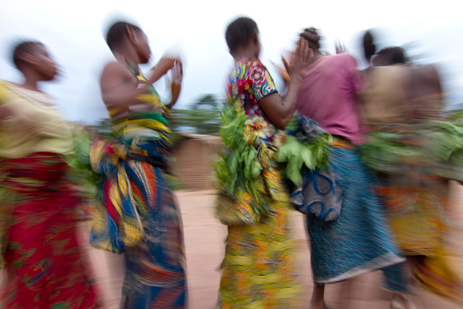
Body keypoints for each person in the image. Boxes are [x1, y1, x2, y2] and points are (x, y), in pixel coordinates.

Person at [292, 28, 411, 309]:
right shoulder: (344, 61)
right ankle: (399, 295)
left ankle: (317, 299)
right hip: (345, 156)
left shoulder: (298, 80)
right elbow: (363, 97)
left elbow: (294, 120)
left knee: (320, 232)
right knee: (373, 223)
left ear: (301, 51)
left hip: (315, 166)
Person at [215, 17, 311, 308]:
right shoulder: (255, 69)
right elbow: (281, 117)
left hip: (243, 175)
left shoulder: (233, 74)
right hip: (261, 176)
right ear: (254, 37)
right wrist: (296, 78)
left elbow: (264, 109)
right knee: (266, 241)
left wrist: (283, 84)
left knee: (246, 243)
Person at [359, 35, 463, 305]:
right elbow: (429, 114)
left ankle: (401, 290)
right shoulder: (416, 74)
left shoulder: (379, 78)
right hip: (424, 163)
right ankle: (409, 288)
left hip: (396, 164)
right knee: (422, 236)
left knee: (399, 235)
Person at [90, 21, 187, 308]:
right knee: (148, 263)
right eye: (145, 37)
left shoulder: (136, 76)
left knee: (167, 258)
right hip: (138, 177)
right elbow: (115, 101)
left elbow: (151, 120)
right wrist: (158, 71)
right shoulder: (114, 67)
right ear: (132, 35)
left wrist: (174, 95)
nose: (150, 45)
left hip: (155, 175)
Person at [0, 41, 100, 308]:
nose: (53, 61)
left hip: (59, 205)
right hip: (25, 204)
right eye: (46, 54)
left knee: (66, 270)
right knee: (31, 272)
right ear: (26, 57)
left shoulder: (51, 105)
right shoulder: (4, 90)